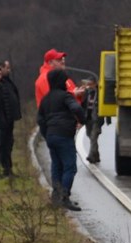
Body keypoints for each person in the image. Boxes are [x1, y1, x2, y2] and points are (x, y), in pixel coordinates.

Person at [37, 68, 85, 211]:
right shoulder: (66, 96)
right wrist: (82, 120)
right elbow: (76, 108)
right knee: (70, 167)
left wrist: (47, 134)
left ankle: (56, 197)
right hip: (64, 135)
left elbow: (40, 119)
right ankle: (65, 197)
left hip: (51, 135)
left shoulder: (46, 99)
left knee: (56, 166)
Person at [0, 60, 22, 177]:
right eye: (7, 68)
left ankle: (7, 168)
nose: (9, 70)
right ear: (1, 68)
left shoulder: (7, 81)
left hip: (9, 118)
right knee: (2, 144)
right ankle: (2, 168)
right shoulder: (0, 83)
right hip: (3, 120)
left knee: (8, 144)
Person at [80, 78, 103, 163]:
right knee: (90, 135)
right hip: (88, 118)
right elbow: (83, 104)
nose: (89, 86)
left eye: (91, 84)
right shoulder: (87, 93)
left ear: (95, 84)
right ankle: (96, 155)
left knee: (93, 136)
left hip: (97, 119)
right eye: (88, 85)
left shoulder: (100, 92)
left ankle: (90, 156)